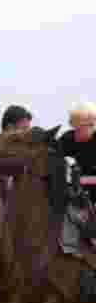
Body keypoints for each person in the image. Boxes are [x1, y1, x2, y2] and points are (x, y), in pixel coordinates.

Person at [61, 102, 96, 237]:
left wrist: (81, 180)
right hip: (75, 194)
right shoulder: (67, 139)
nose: (75, 133)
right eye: (74, 127)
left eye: (79, 129)